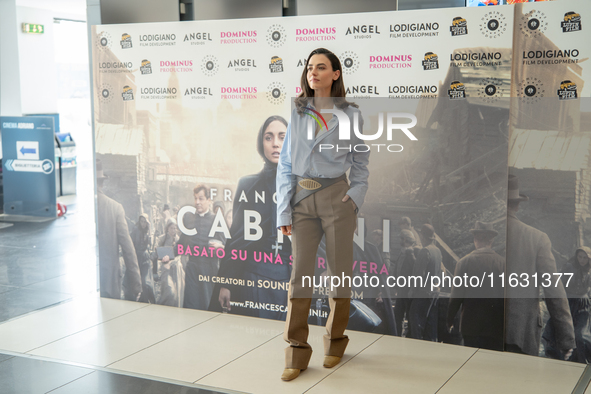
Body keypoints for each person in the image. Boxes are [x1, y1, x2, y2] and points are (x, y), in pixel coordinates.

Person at [276, 48, 369, 381]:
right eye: (309, 67)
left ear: (335, 74)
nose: (313, 72)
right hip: (301, 199)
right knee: (300, 276)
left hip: (336, 198)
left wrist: (354, 197)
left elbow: (360, 162)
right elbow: (286, 164)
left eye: (321, 67)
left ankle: (335, 341)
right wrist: (283, 209)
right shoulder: (298, 111)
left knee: (338, 274)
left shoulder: (351, 115)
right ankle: (296, 352)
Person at [212, 115, 293, 319]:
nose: (275, 143)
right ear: (261, 143)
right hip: (254, 278)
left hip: (291, 280)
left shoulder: (303, 185)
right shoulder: (248, 184)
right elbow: (237, 238)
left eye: (282, 137)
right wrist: (226, 283)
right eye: (269, 137)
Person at [505, 174, 575, 358]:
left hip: (482, 332)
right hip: (521, 332)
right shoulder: (536, 238)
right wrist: (566, 337)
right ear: (518, 205)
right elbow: (553, 289)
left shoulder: (485, 235)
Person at [446, 221, 505, 351]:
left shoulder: (463, 263)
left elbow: (455, 297)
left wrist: (449, 320)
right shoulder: (503, 264)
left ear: (475, 239)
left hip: (470, 326)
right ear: (492, 240)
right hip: (495, 328)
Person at [95, 159, 142, 300]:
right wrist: (136, 284)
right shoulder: (115, 208)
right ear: (102, 183)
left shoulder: (78, 208)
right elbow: (128, 249)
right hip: (108, 283)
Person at [175, 184, 225, 310]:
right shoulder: (190, 220)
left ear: (209, 200)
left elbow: (228, 247)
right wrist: (167, 255)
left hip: (209, 271)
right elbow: (180, 245)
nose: (197, 202)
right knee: (191, 307)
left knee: (208, 306)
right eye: (196, 198)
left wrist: (221, 247)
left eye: (201, 199)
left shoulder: (217, 220)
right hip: (192, 271)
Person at [543, 246, 591, 363]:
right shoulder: (569, 267)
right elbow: (559, 284)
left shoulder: (589, 270)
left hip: (583, 305)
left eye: (585, 258)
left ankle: (581, 360)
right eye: (580, 257)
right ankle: (557, 358)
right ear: (576, 256)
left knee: (580, 334)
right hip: (568, 302)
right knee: (561, 329)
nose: (582, 260)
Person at [408, 224, 441, 341]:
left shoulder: (424, 251)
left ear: (422, 236)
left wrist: (412, 292)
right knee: (429, 324)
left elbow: (418, 275)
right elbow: (440, 271)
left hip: (422, 293)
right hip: (433, 294)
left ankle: (416, 347)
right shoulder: (437, 251)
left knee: (415, 321)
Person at [394, 229, 419, 337]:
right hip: (401, 290)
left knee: (408, 316)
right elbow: (398, 268)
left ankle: (408, 337)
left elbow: (415, 271)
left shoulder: (411, 253)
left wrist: (411, 289)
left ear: (405, 239)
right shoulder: (402, 252)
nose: (399, 240)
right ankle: (397, 335)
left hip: (407, 291)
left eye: (401, 238)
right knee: (397, 315)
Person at [157, 218, 186, 307]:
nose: (173, 230)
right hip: (166, 266)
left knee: (177, 291)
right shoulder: (162, 238)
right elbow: (157, 250)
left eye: (175, 228)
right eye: (171, 228)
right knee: (168, 289)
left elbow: (182, 252)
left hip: (176, 267)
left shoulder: (178, 239)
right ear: (167, 228)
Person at [130, 214, 155, 303]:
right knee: (136, 280)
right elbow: (131, 243)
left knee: (145, 282)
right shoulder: (135, 231)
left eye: (145, 222)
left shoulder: (148, 232)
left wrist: (150, 229)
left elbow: (151, 245)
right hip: (136, 258)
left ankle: (147, 299)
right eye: (141, 221)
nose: (143, 224)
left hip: (145, 259)